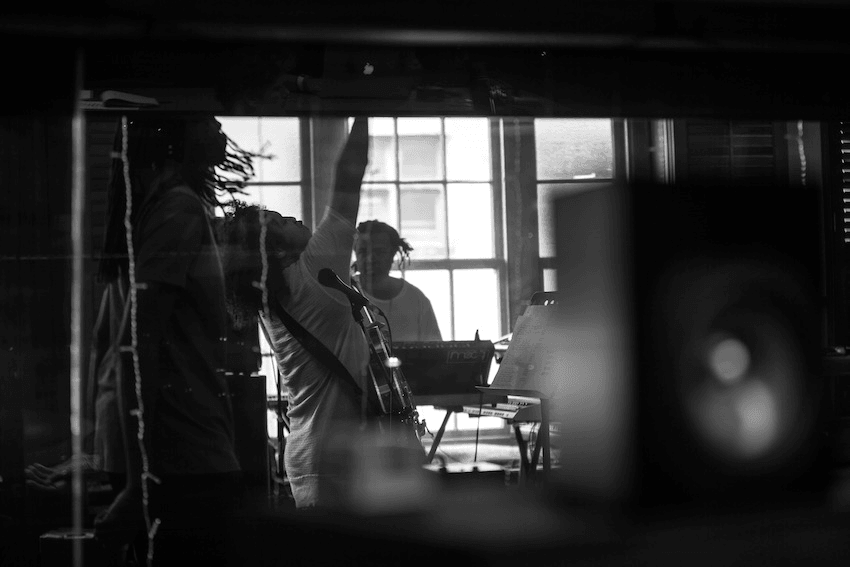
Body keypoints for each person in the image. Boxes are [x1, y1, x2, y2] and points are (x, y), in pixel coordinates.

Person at [92, 113, 255, 566]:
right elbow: (131, 347)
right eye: (205, 119)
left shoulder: (144, 208)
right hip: (179, 449)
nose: (219, 128)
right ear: (174, 136)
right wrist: (138, 481)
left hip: (155, 449)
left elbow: (102, 345)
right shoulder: (177, 208)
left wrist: (102, 447)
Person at [218, 117, 378, 509]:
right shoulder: (312, 270)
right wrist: (363, 109)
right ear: (273, 249)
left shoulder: (276, 296)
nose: (293, 219)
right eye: (279, 222)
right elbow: (348, 179)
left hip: (315, 454)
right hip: (330, 458)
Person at [352, 220, 442, 342]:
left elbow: (434, 352)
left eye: (379, 252)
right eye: (363, 252)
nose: (370, 258)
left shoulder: (416, 299)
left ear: (393, 253)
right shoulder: (346, 296)